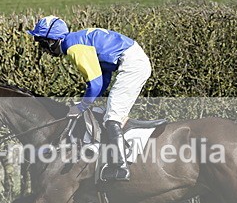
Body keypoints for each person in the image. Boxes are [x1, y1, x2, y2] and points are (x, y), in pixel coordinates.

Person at [27, 16, 152, 181]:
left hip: (133, 64)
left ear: (52, 41)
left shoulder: (73, 48)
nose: (43, 50)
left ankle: (120, 168)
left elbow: (95, 83)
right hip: (132, 59)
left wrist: (81, 106)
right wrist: (86, 103)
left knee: (112, 117)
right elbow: (103, 77)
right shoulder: (76, 41)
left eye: (43, 44)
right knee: (107, 112)